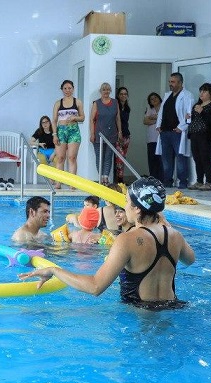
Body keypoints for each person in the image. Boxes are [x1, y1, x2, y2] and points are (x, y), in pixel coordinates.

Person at [19, 177, 196, 310]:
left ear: (136, 208)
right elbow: (190, 260)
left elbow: (95, 286)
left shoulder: (127, 240)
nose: (124, 206)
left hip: (139, 317)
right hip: (172, 309)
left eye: (126, 201)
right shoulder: (175, 236)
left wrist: (54, 270)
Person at [156, 73, 195, 189]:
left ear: (180, 83)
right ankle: (167, 182)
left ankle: (182, 182)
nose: (170, 84)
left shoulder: (187, 96)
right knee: (166, 160)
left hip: (177, 132)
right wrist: (158, 125)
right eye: (169, 82)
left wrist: (181, 127)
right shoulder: (167, 96)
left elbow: (189, 115)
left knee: (180, 158)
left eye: (172, 82)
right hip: (165, 132)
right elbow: (161, 112)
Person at [188, 83, 211, 191]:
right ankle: (199, 181)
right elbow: (193, 121)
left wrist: (202, 112)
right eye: (200, 91)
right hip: (195, 134)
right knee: (197, 158)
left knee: (205, 158)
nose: (201, 93)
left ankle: (209, 182)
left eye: (204, 91)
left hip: (206, 135)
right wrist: (188, 118)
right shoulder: (196, 105)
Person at [51, 80, 86, 189]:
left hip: (73, 130)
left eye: (69, 88)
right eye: (65, 88)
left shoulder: (78, 102)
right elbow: (54, 120)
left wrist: (75, 117)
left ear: (73, 89)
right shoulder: (58, 103)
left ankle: (72, 182)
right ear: (62, 89)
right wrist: (54, 134)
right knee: (60, 157)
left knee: (72, 157)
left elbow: (83, 117)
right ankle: (58, 182)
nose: (67, 90)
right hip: (61, 131)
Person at [90, 82, 122, 185]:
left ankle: (105, 177)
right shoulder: (96, 103)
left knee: (108, 156)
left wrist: (120, 132)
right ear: (101, 91)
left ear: (110, 91)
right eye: (104, 89)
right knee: (100, 156)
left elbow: (118, 118)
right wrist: (92, 134)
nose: (106, 91)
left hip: (112, 133)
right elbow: (92, 120)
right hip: (99, 134)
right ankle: (100, 178)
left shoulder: (115, 102)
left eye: (108, 89)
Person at [143, 92, 164, 183]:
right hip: (151, 139)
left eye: (155, 97)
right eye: (151, 99)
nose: (154, 99)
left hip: (161, 138)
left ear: (159, 98)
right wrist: (158, 120)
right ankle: (153, 179)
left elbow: (164, 120)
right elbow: (145, 121)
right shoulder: (149, 109)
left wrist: (154, 118)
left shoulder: (164, 107)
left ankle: (162, 179)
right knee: (152, 159)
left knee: (161, 160)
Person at [114, 86, 132, 184]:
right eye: (121, 94)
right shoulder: (116, 106)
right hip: (118, 136)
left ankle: (121, 180)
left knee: (123, 159)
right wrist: (119, 133)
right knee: (119, 158)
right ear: (118, 95)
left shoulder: (127, 107)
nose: (123, 96)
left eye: (125, 94)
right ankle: (119, 180)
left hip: (126, 135)